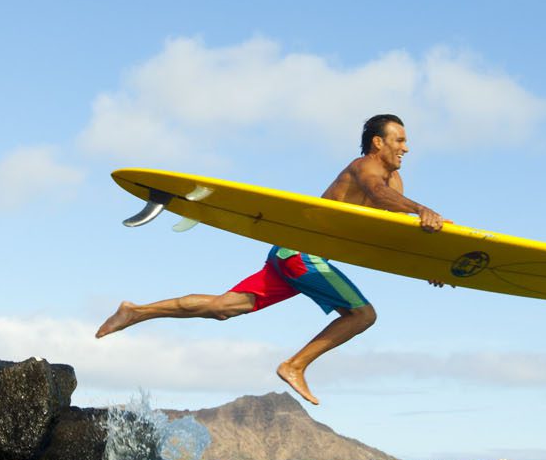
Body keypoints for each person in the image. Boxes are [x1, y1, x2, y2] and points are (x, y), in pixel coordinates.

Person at [96, 114, 444, 405]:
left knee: (224, 307)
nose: (406, 147)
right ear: (378, 143)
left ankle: (136, 311)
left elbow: (396, 229)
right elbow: (375, 193)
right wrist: (421, 208)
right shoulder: (363, 167)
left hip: (286, 253)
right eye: (398, 140)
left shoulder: (394, 181)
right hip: (304, 255)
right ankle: (295, 366)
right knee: (363, 315)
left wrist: (432, 261)